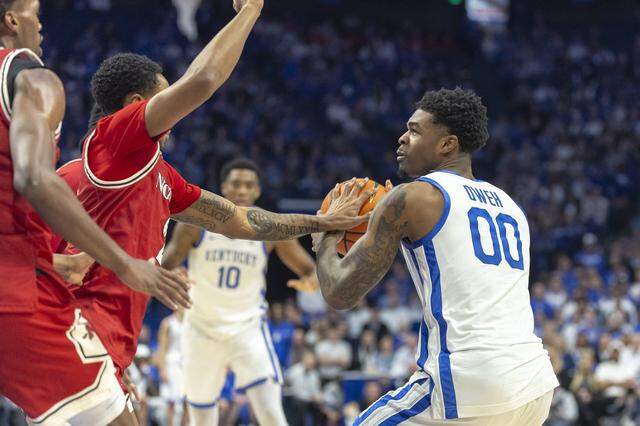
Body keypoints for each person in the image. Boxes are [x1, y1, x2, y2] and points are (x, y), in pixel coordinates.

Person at [61, 0, 369, 418]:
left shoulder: (163, 178)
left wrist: (321, 221)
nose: (173, 104)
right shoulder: (113, 140)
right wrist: (249, 12)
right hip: (82, 337)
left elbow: (242, 220)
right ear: (137, 103)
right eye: (164, 92)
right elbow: (204, 78)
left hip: (109, 347)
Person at [314, 88, 559, 425]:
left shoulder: (413, 198)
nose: (401, 138)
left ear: (447, 144)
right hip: (533, 384)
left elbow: (340, 293)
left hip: (469, 381)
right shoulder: (510, 205)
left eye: (414, 131)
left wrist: (325, 237)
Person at [0, 1, 191, 425]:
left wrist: (65, 261)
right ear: (12, 20)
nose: (41, 22)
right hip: (15, 294)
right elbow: (33, 178)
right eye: (33, 10)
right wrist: (124, 264)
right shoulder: (30, 76)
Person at [160, 158, 326, 426]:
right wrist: (172, 275)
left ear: (257, 191)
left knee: (271, 413)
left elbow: (309, 269)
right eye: (236, 184)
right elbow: (165, 266)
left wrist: (310, 282)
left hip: (247, 328)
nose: (241, 190)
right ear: (224, 187)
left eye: (248, 185)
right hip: (201, 327)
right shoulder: (196, 223)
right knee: (201, 419)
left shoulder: (269, 226)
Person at [156, 309, 188, 426]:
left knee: (187, 401)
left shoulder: (190, 322)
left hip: (185, 365)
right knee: (172, 402)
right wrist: (162, 368)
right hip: (171, 364)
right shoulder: (168, 323)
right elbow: (162, 347)